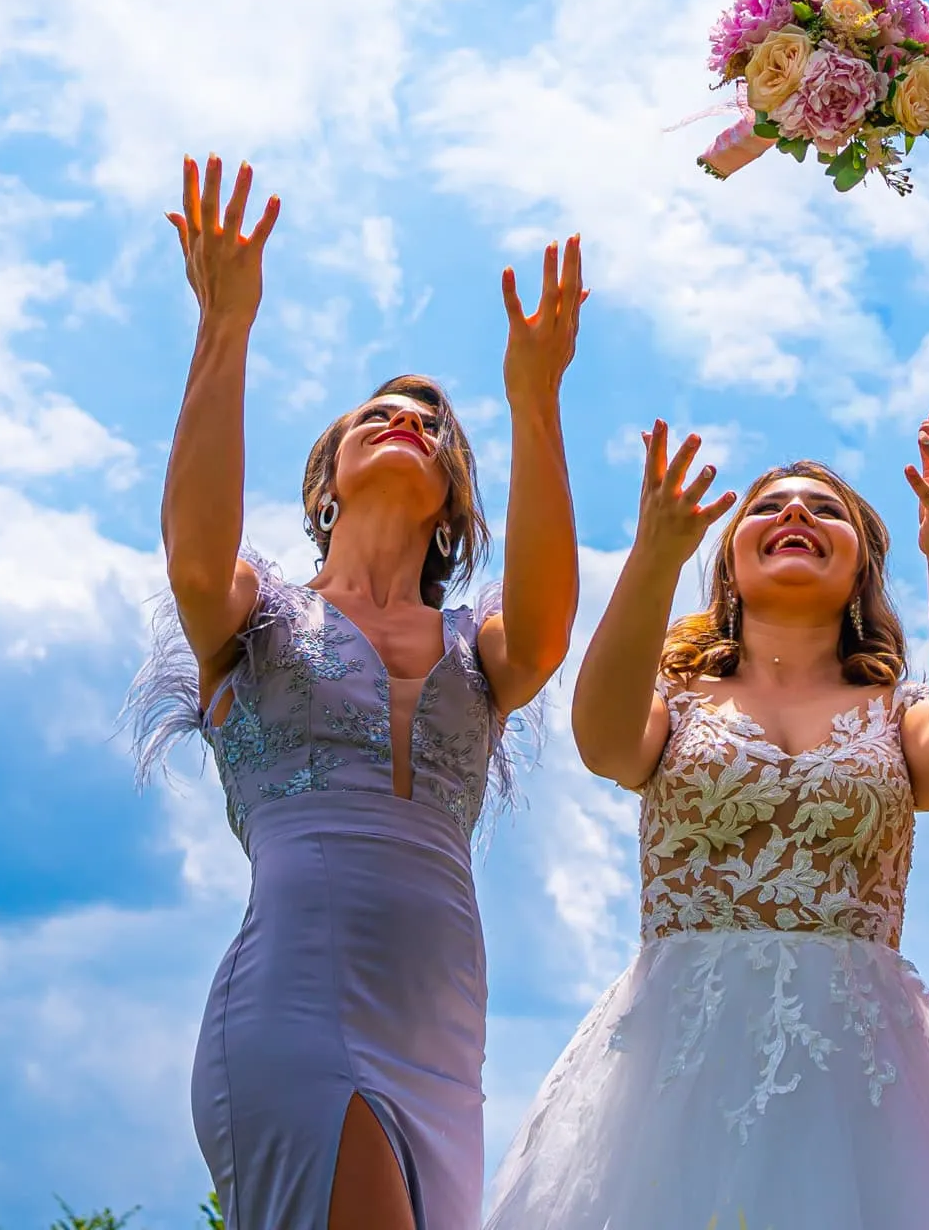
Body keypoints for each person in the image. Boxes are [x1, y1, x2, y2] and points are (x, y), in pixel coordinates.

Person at [128, 155, 586, 1230]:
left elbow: (555, 623)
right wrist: (224, 323)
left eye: (432, 426)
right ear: (325, 482)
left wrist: (536, 399)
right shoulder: (258, 609)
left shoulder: (479, 647)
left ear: (453, 505)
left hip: (441, 1032)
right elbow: (193, 558)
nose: (408, 422)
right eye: (377, 415)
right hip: (296, 1002)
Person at [481, 405, 929, 1230]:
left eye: (825, 510)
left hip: (863, 1077)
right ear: (728, 564)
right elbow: (605, 744)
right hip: (676, 1067)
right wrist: (655, 552)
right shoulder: (677, 699)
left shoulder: (897, 711)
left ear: (862, 568)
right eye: (769, 506)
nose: (795, 514)